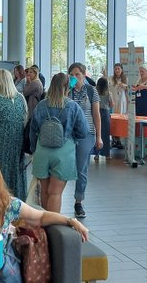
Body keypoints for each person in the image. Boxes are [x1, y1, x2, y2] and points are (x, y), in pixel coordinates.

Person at [29, 73, 88, 213]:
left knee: (44, 191)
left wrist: (33, 149)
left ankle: (44, 223)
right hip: (63, 152)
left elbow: (33, 130)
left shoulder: (41, 105)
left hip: (42, 151)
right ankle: (53, 224)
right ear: (67, 87)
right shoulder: (72, 106)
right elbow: (83, 131)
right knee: (55, 193)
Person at [0, 69, 28, 199]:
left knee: (0, 172)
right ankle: (17, 201)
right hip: (17, 141)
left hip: (0, 142)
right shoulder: (20, 98)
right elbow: (24, 118)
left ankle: (0, 200)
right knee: (16, 171)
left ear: (0, 83)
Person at [67, 62, 102, 219]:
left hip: (86, 134)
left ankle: (78, 201)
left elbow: (96, 114)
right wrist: (66, 89)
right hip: (69, 133)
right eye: (72, 75)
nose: (74, 77)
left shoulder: (91, 90)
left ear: (84, 74)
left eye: (77, 74)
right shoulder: (66, 90)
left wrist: (99, 137)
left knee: (81, 168)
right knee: (64, 166)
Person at [95, 77, 112, 160]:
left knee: (97, 134)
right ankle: (107, 154)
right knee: (106, 135)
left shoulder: (95, 93)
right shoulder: (108, 93)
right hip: (105, 113)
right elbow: (112, 104)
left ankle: (96, 154)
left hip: (97, 112)